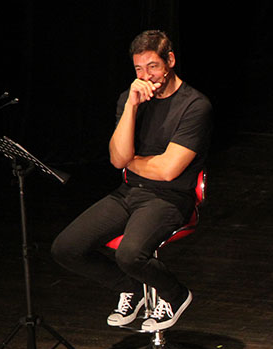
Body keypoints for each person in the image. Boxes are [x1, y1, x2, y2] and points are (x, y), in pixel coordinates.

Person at [52, 30, 211, 332]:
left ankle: (175, 295)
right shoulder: (131, 98)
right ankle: (131, 288)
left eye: (153, 66)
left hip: (171, 198)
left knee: (129, 254)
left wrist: (132, 161)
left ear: (170, 61)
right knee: (66, 248)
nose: (146, 76)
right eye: (139, 68)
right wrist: (131, 107)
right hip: (130, 192)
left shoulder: (195, 106)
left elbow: (168, 171)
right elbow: (117, 159)